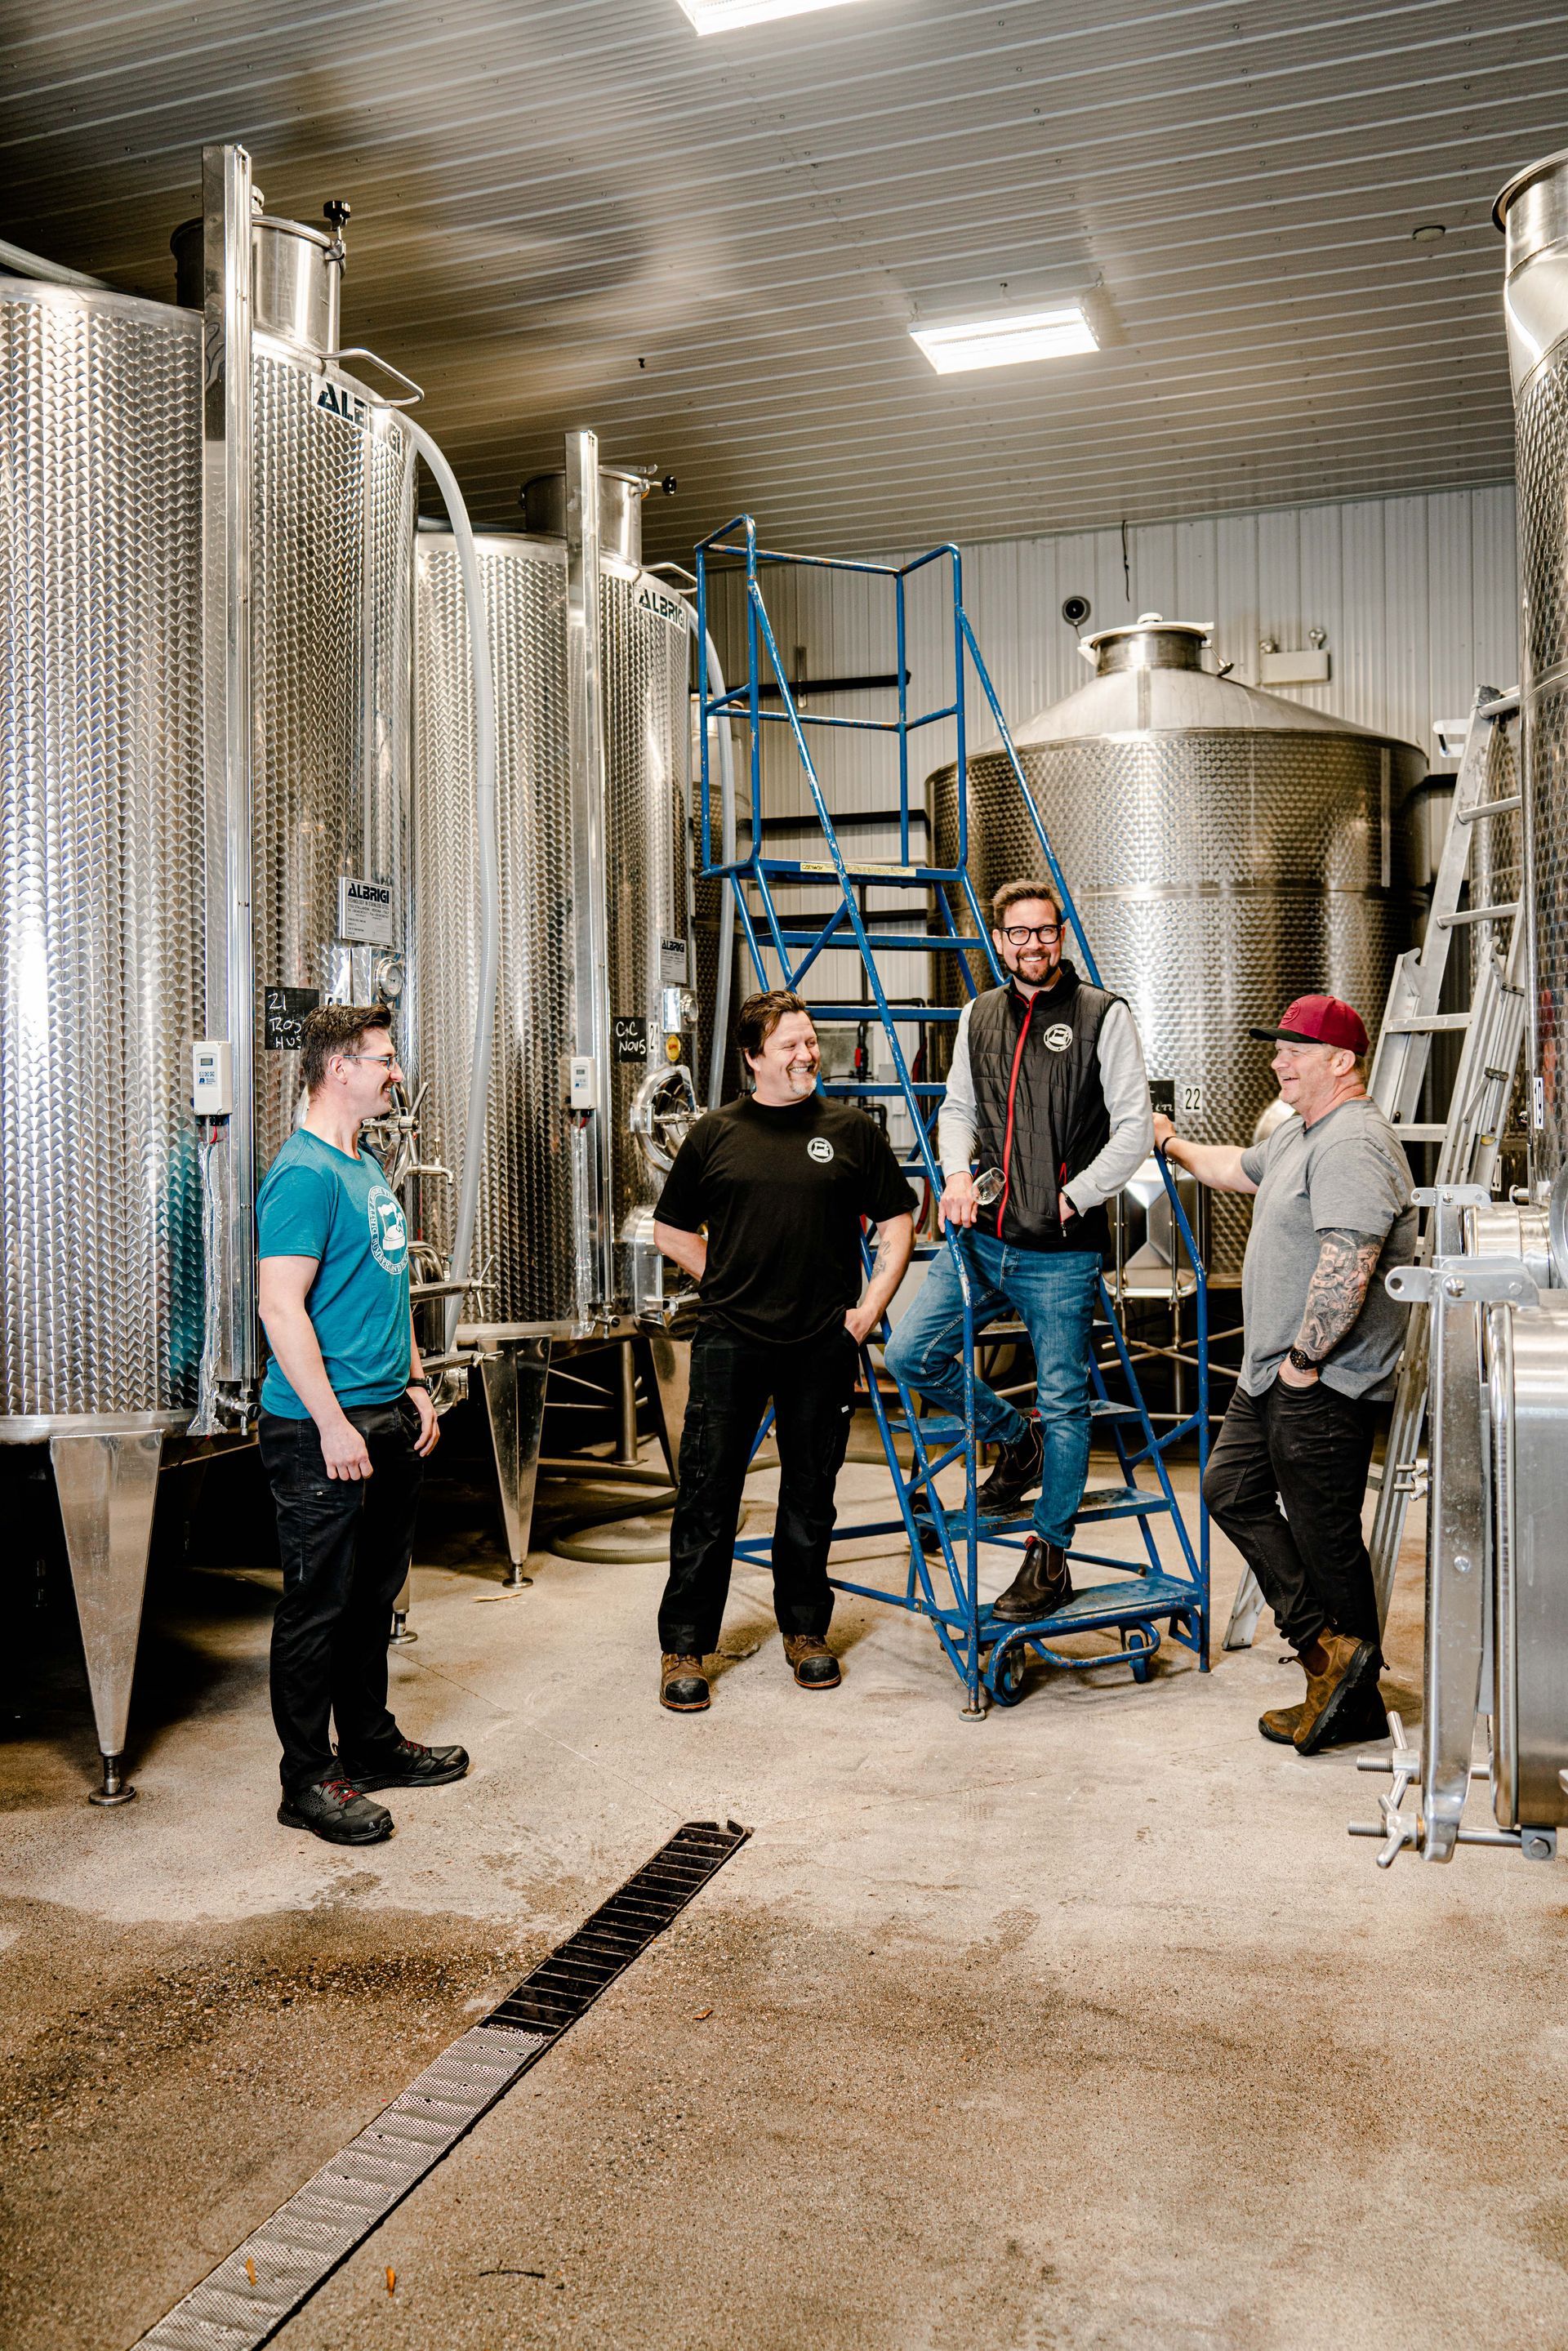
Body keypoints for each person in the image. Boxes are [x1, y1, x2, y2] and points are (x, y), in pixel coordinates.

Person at [1153, 994, 1417, 1754]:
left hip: (1320, 1381)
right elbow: (1234, 1167)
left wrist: (1306, 1362)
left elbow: (1350, 1261)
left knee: (1327, 1537)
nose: (1277, 1061)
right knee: (1229, 1488)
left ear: (1341, 1061)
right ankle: (1325, 1653)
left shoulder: (1354, 1143)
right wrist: (1170, 1142)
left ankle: (1352, 1698)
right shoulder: (1304, 1132)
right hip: (1268, 1374)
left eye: (1292, 1050)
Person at [884, 879, 1153, 1621]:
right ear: (998, 939)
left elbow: (1134, 1125)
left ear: (1059, 935)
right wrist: (957, 1174)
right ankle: (1013, 1438)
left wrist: (1079, 1195)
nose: (1031, 945)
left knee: (1065, 1400)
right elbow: (959, 1109)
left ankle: (1050, 1557)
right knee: (911, 1354)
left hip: (1061, 1252)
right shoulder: (980, 1014)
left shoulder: (1104, 1015)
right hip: (981, 1241)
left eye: (1044, 932)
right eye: (1017, 933)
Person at [652, 989, 916, 1712]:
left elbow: (899, 1220)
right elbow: (671, 1231)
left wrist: (867, 1311)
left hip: (821, 1344)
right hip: (730, 1340)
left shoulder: (850, 1130)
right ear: (752, 1057)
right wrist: (731, 1277)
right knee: (708, 1496)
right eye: (791, 1045)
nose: (808, 1056)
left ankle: (805, 1631)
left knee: (811, 1493)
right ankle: (685, 1644)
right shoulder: (715, 1133)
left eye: (810, 1042)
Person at [256, 1004, 464, 1845]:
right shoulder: (303, 1174)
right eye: (382, 1058)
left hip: (385, 1415)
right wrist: (334, 1422)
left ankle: (368, 1743)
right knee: (319, 1604)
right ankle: (307, 1778)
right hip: (322, 1431)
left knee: (373, 1596)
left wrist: (416, 1383)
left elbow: (391, 1281)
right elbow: (280, 1307)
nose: (395, 1071)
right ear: (338, 1067)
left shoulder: (365, 1161)